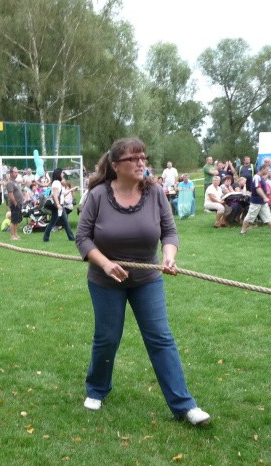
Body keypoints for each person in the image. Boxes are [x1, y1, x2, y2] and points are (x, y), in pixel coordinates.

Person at [75, 137, 210, 426]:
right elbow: (82, 238)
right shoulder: (98, 195)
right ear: (115, 166)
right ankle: (97, 389)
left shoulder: (156, 192)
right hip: (105, 280)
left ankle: (184, 405)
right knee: (107, 337)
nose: (141, 163)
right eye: (133, 159)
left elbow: (169, 232)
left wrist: (169, 256)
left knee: (160, 338)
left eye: (143, 158)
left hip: (147, 278)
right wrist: (106, 264)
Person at [240, 166, 271, 235]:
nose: (268, 171)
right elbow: (258, 188)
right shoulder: (256, 177)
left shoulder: (261, 178)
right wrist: (265, 197)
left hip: (262, 201)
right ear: (262, 169)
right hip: (256, 201)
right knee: (250, 216)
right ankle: (242, 231)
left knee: (267, 215)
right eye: (266, 169)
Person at [43, 168, 75, 242]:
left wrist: (71, 190)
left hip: (60, 205)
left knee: (56, 222)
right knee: (61, 222)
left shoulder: (58, 183)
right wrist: (57, 204)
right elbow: (55, 195)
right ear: (58, 174)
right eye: (62, 173)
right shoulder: (56, 183)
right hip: (58, 205)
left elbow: (62, 194)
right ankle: (71, 237)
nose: (63, 174)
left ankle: (46, 238)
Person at [6, 167, 23, 241]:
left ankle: (16, 234)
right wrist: (15, 203)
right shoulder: (10, 183)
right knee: (13, 221)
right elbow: (10, 194)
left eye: (17, 172)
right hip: (14, 204)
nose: (16, 174)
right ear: (11, 173)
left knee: (16, 221)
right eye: (15, 172)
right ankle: (12, 236)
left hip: (18, 204)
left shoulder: (15, 182)